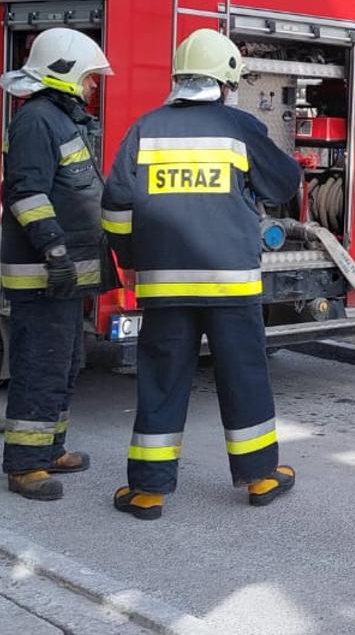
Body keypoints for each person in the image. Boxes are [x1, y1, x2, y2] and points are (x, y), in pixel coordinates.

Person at [100, 29, 302, 520]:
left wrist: (131, 260)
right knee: (244, 375)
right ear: (226, 82)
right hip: (230, 284)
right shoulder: (240, 127)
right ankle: (259, 478)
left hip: (164, 286)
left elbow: (115, 208)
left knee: (162, 381)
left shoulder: (145, 129)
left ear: (178, 79)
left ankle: (148, 490)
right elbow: (285, 182)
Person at [0, 28, 115, 501]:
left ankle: (50, 447)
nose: (92, 87)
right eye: (89, 78)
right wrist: (56, 251)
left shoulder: (61, 121)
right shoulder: (38, 121)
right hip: (45, 276)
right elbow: (26, 192)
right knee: (41, 366)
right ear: (64, 73)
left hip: (64, 279)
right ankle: (25, 465)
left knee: (66, 364)